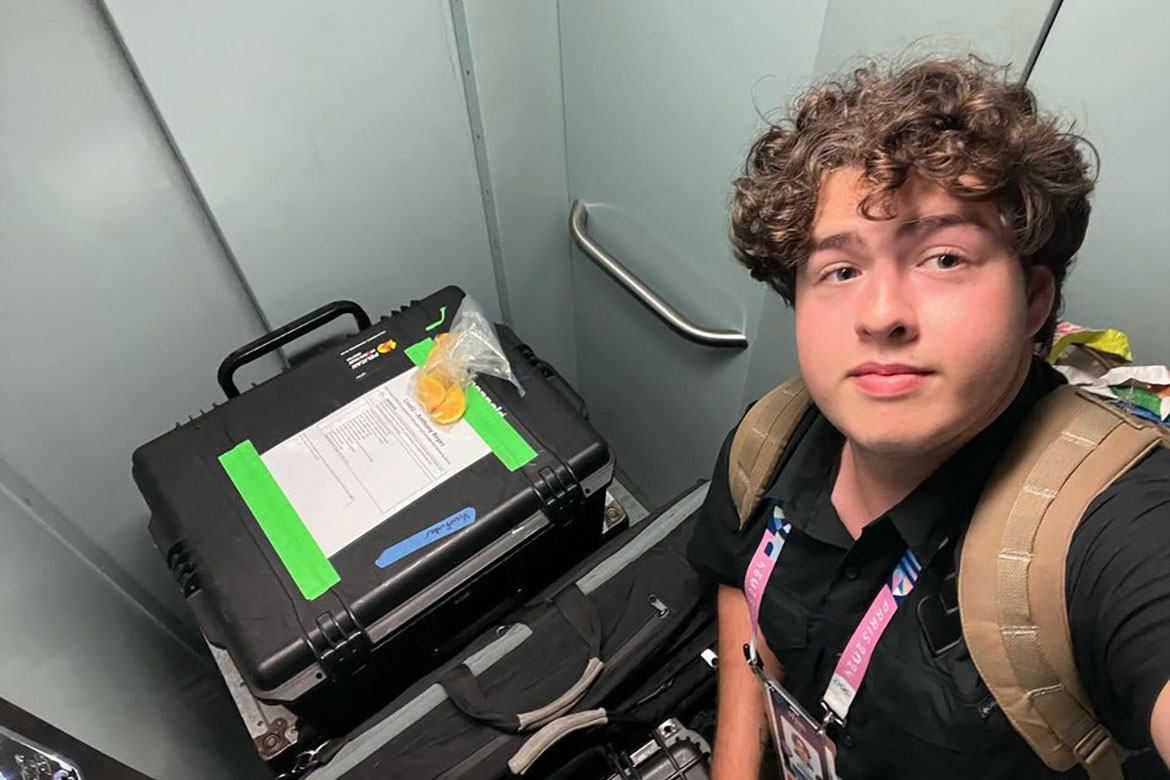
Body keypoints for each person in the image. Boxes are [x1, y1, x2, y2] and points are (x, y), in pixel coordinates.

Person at [687, 56, 1170, 779]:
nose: (881, 315)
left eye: (943, 258)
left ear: (1034, 301)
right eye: (840, 271)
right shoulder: (768, 440)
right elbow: (740, 586)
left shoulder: (1110, 532)